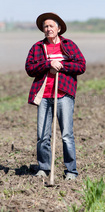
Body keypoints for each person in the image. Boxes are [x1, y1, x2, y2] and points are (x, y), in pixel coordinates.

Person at [25, 12, 86, 180]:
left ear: (59, 29)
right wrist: (48, 64)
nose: (48, 29)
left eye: (51, 26)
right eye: (45, 26)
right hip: (44, 96)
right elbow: (30, 68)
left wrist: (61, 66)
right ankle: (44, 168)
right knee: (42, 136)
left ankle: (71, 171)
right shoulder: (38, 47)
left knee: (66, 135)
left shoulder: (69, 45)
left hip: (64, 95)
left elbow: (81, 66)